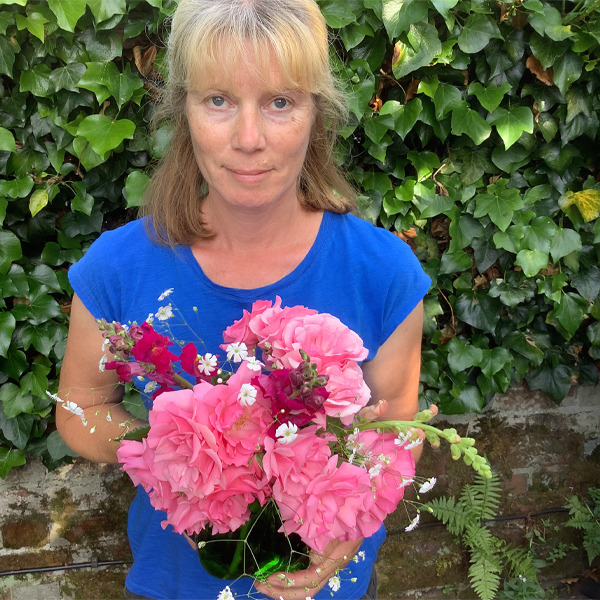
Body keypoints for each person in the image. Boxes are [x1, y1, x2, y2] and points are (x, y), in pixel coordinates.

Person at [56, 1, 431, 599]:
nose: (249, 139)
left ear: (317, 114)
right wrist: (179, 455)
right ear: (184, 109)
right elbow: (78, 407)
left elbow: (393, 429)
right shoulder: (117, 267)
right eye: (219, 101)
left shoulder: (382, 272)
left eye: (280, 102)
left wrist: (351, 529)